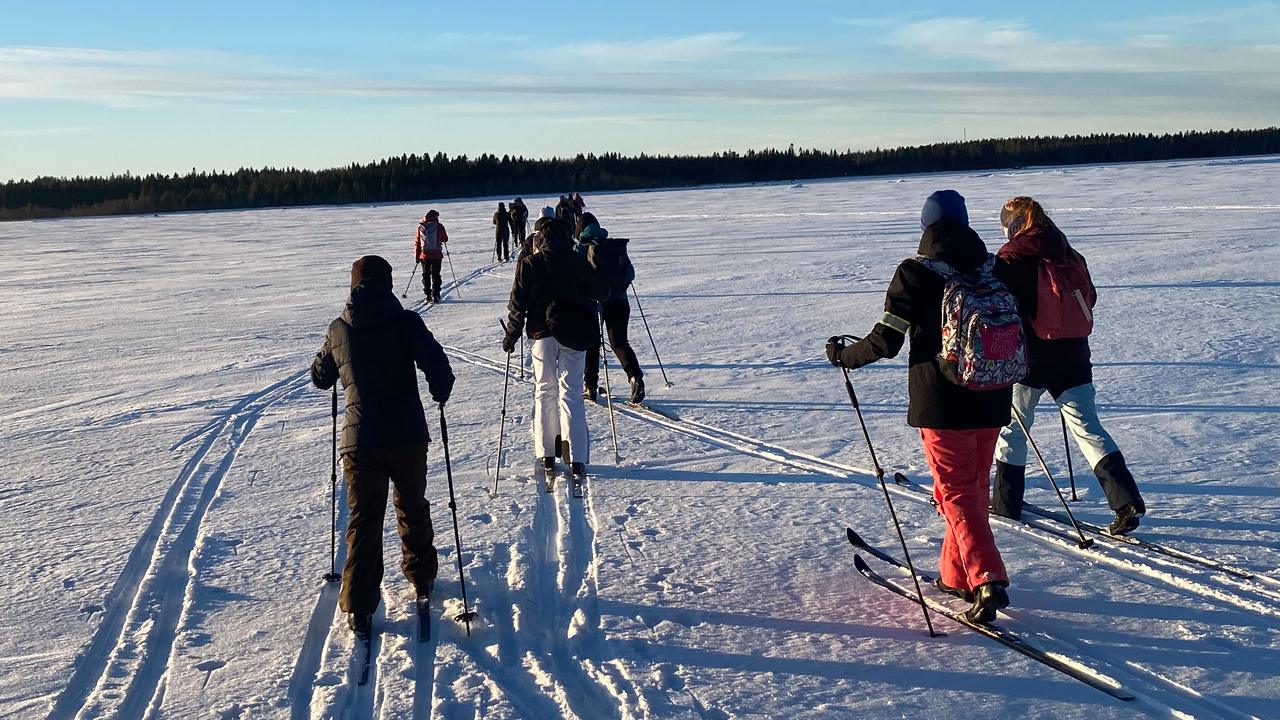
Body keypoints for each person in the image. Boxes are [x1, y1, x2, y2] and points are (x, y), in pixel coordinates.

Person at [825, 190, 1020, 623]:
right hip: (992, 395)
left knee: (954, 492)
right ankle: (956, 576)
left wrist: (844, 357)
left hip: (942, 402)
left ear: (926, 226)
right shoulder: (996, 267)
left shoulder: (915, 272)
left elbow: (887, 340)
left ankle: (987, 578)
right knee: (967, 490)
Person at [310, 255, 455, 637]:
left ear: (354, 284)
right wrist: (441, 390)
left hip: (360, 442)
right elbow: (438, 366)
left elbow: (320, 377)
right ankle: (421, 578)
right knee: (411, 505)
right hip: (407, 436)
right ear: (387, 284)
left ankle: (359, 607)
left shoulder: (339, 328)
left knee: (365, 518)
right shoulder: (406, 321)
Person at [992, 196, 1147, 535]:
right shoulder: (1069, 252)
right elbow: (1089, 299)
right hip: (1075, 357)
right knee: (1088, 428)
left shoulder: (1011, 257)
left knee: (1013, 430)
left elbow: (1002, 309)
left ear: (1014, 225)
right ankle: (1126, 501)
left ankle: (1006, 505)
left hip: (1028, 361)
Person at [502, 215, 608, 483]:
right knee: (571, 393)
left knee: (544, 391)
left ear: (542, 237)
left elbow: (517, 304)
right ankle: (577, 458)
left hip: (541, 335)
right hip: (574, 334)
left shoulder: (531, 263)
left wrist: (511, 335)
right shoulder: (577, 260)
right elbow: (601, 291)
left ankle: (546, 454)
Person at [574, 212, 644, 403]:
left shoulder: (581, 247)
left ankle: (590, 386)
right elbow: (630, 273)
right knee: (619, 343)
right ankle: (634, 376)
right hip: (620, 301)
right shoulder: (614, 246)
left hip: (594, 303)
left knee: (592, 345)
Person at [414, 210, 449, 303]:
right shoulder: (439, 226)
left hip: (424, 255)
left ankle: (428, 294)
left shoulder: (421, 228)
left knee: (426, 275)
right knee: (435, 274)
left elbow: (417, 243)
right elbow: (445, 239)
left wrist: (417, 256)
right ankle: (436, 294)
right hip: (436, 254)